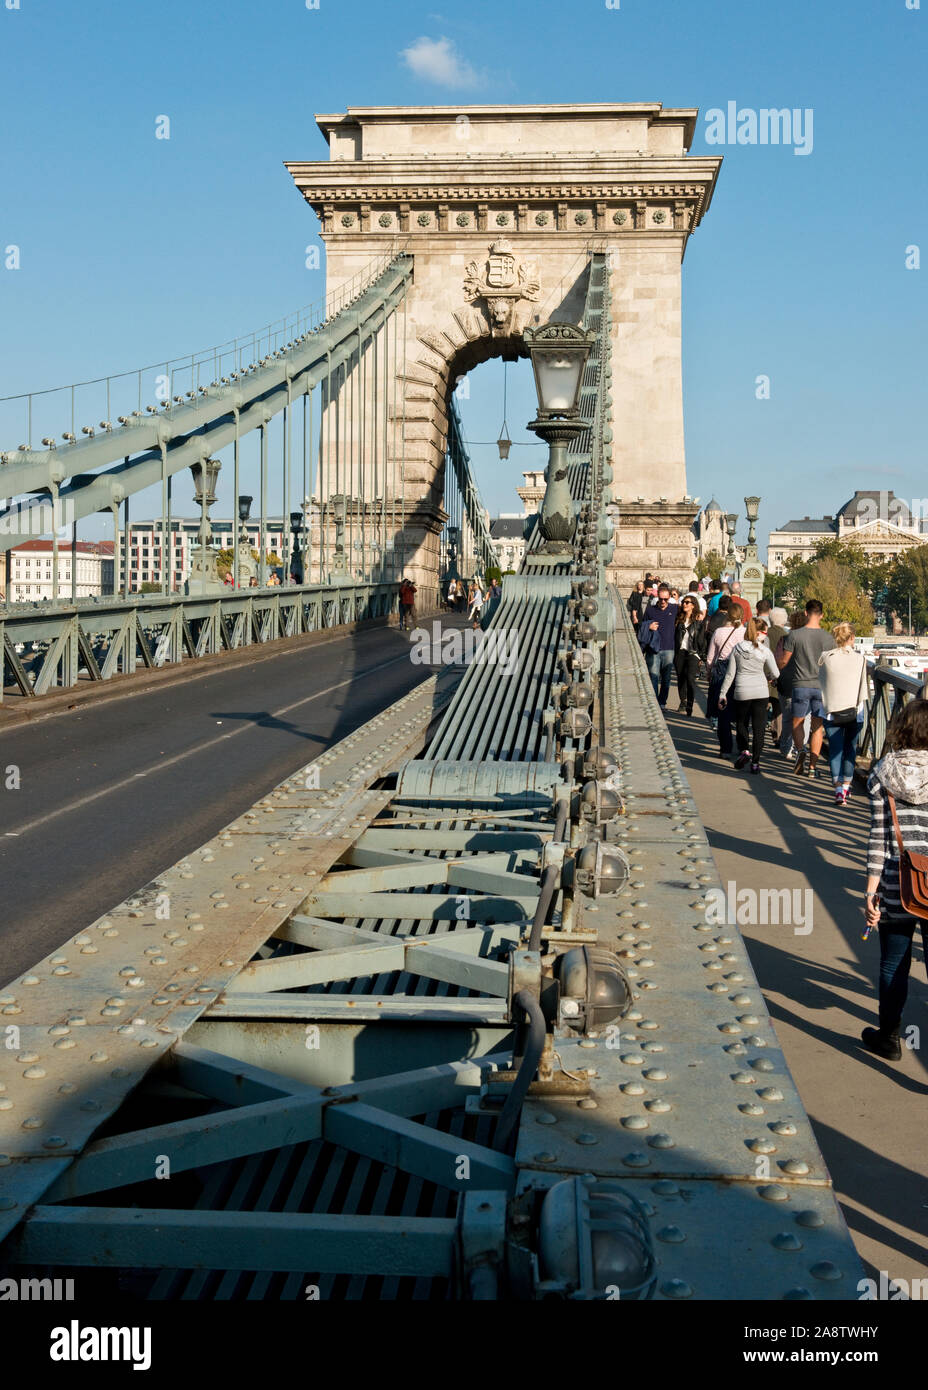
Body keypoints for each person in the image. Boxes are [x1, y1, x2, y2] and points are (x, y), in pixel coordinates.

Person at [863, 698, 928, 1060]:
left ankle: (889, 1037)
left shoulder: (881, 773)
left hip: (895, 881)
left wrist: (870, 893)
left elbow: (878, 837)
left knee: (893, 964)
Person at [778, 598, 835, 777]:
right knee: (817, 727)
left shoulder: (795, 635)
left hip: (800, 685)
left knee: (797, 722)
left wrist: (774, 669)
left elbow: (784, 661)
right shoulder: (828, 638)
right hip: (820, 687)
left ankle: (800, 749)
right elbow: (832, 666)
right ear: (822, 615)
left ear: (805, 613)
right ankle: (812, 768)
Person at [718, 617, 780, 773]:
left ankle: (744, 749)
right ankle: (755, 762)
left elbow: (730, 674)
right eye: (765, 632)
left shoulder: (737, 648)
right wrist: (769, 677)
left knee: (741, 723)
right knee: (759, 728)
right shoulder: (764, 650)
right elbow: (776, 672)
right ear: (759, 633)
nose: (766, 635)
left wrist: (723, 694)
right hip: (760, 691)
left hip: (742, 690)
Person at [819, 623, 869, 805]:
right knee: (850, 750)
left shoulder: (826, 658)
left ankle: (838, 788)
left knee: (835, 749)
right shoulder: (860, 659)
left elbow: (822, 684)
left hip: (832, 711)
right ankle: (847, 786)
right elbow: (863, 687)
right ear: (852, 638)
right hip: (854, 711)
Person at [706, 606, 745, 756]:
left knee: (723, 712)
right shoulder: (745, 633)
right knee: (741, 712)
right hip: (741, 670)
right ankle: (743, 747)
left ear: (727, 616)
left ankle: (726, 748)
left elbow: (711, 657)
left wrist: (709, 673)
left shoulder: (719, 632)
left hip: (722, 670)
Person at [638, 583, 677, 708]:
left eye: (666, 599)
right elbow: (641, 627)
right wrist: (648, 627)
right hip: (653, 648)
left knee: (666, 679)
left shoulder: (674, 608)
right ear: (657, 598)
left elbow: (687, 615)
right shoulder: (650, 610)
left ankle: (662, 702)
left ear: (669, 598)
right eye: (661, 599)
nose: (663, 602)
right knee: (653, 677)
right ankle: (654, 703)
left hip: (669, 648)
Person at [673, 594, 707, 716]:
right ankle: (683, 701)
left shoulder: (698, 622)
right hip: (680, 652)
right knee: (681, 677)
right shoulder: (679, 619)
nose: (684, 604)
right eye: (683, 602)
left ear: (693, 605)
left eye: (687, 602)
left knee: (690, 678)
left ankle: (690, 704)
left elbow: (702, 640)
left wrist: (702, 657)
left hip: (693, 653)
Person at [764, 606, 790, 748]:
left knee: (763, 706)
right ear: (784, 620)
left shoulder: (765, 634)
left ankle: (759, 732)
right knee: (778, 709)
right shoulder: (786, 637)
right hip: (779, 675)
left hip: (765, 674)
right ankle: (778, 736)